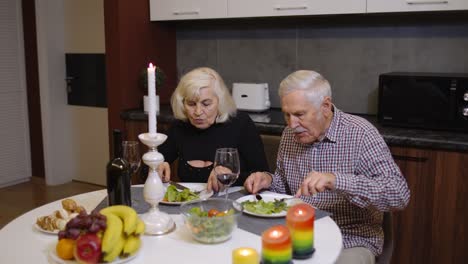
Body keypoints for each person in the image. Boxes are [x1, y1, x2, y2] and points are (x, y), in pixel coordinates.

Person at [244, 70, 410, 264]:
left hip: (350, 239)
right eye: (286, 115)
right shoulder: (290, 133)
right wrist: (268, 180)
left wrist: (337, 180)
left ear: (325, 106)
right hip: (296, 234)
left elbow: (398, 195)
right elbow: (287, 188)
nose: (292, 124)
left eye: (299, 114)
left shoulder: (361, 133)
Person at [157, 67, 269, 192]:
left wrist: (228, 177)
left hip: (233, 203)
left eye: (206, 104)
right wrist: (156, 168)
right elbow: (145, 173)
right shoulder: (180, 126)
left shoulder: (240, 124)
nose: (198, 112)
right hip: (189, 206)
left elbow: (263, 175)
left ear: (220, 101)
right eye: (191, 104)